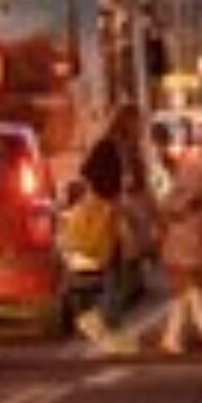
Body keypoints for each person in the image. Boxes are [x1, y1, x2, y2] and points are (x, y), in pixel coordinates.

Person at [78, 102, 159, 342]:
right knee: (115, 268)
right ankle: (103, 320)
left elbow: (141, 184)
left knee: (123, 270)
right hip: (114, 215)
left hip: (128, 215)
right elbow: (89, 171)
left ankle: (109, 321)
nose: (140, 128)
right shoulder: (109, 147)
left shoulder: (129, 149)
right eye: (137, 122)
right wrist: (111, 196)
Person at [153, 139, 202, 355]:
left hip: (185, 255)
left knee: (183, 297)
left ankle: (171, 337)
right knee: (191, 292)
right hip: (180, 256)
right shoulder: (184, 206)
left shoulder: (192, 207)